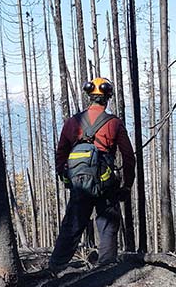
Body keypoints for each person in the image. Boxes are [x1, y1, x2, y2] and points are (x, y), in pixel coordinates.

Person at [48, 77, 135, 274]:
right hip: (106, 183)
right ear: (107, 98)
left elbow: (61, 153)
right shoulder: (114, 123)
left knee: (73, 223)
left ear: (90, 97)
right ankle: (106, 269)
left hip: (80, 183)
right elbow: (129, 157)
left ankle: (56, 267)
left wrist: (68, 178)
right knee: (107, 224)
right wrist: (127, 185)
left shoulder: (72, 122)